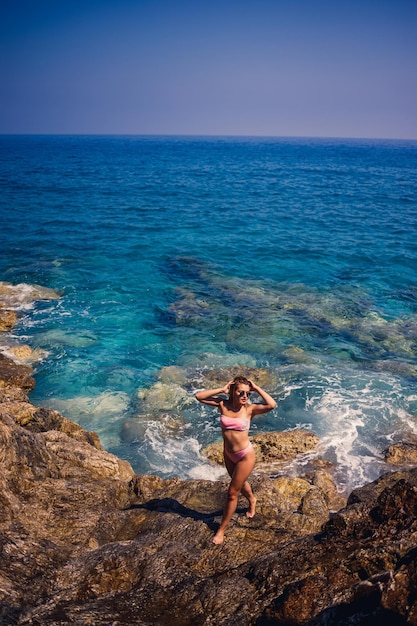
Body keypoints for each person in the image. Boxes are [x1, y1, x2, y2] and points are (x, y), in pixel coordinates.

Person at [195, 375, 277, 544]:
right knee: (236, 482)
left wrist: (256, 388)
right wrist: (222, 389)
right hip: (228, 453)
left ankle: (221, 530)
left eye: (248, 393)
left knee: (232, 493)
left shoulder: (249, 409)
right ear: (233, 392)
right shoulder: (222, 404)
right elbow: (199, 396)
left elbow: (272, 404)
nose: (245, 396)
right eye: (241, 393)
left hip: (245, 456)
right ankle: (252, 499)